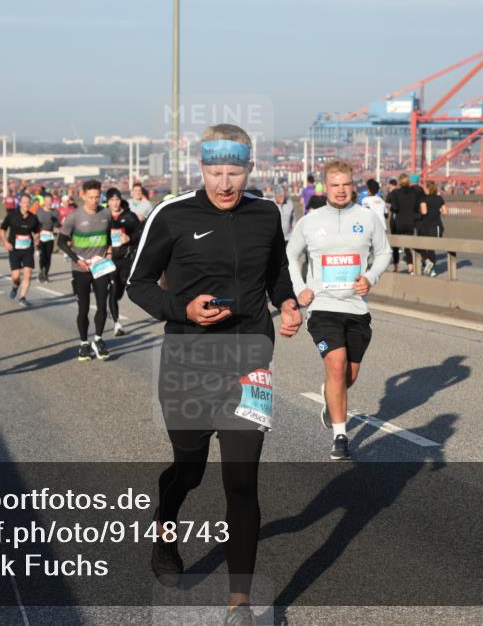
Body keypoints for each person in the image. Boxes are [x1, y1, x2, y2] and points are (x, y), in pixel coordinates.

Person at [127, 124, 301, 623]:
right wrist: (183, 308)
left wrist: (286, 303)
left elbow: (276, 273)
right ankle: (164, 525)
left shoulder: (265, 214)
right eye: (215, 172)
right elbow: (136, 283)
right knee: (190, 469)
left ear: (250, 168)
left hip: (250, 362)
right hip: (187, 364)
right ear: (199, 167)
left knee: (242, 480)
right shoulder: (172, 214)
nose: (225, 184)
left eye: (235, 172)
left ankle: (239, 606)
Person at [287, 159, 390, 461]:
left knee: (349, 375)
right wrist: (299, 288)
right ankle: (340, 435)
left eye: (346, 184)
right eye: (335, 185)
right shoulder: (310, 221)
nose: (341, 190)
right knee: (336, 363)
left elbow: (385, 252)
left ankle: (329, 397)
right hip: (322, 307)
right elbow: (291, 255)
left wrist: (370, 277)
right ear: (325, 186)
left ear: (353, 186)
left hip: (356, 308)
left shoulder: (368, 218)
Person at [58, 180, 114, 361]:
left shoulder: (106, 213)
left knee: (102, 305)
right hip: (80, 268)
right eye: (90, 197)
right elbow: (60, 241)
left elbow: (108, 236)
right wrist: (77, 260)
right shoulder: (74, 217)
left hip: (100, 267)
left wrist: (110, 252)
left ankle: (98, 340)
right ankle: (83, 344)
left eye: (97, 197)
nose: (94, 201)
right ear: (83, 196)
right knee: (83, 308)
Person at [105, 188, 142, 336]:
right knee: (114, 292)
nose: (115, 203)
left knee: (120, 292)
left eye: (117, 199)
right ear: (107, 201)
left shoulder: (129, 216)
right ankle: (117, 325)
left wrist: (130, 238)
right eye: (112, 200)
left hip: (126, 259)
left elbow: (140, 233)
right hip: (109, 260)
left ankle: (112, 305)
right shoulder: (104, 216)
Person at [0, 194, 41, 305]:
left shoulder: (33, 217)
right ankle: (15, 286)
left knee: (28, 273)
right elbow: (2, 229)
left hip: (28, 249)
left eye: (28, 202)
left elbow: (37, 231)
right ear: (20, 203)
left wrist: (37, 239)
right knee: (16, 276)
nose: (26, 204)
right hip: (14, 249)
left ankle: (22, 297)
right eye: (24, 202)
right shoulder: (12, 216)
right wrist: (5, 242)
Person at [388, 173, 423, 274]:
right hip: (411, 222)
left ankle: (396, 267)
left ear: (399, 181)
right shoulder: (415, 193)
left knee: (396, 245)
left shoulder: (395, 193)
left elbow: (395, 208)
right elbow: (417, 208)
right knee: (408, 244)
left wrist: (391, 208)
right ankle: (411, 266)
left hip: (399, 222)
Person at [417, 180, 447, 276]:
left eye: (424, 187)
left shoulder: (423, 199)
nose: (423, 189)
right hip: (437, 226)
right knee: (432, 248)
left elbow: (424, 212)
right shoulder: (439, 198)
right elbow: (445, 212)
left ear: (428, 188)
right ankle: (432, 270)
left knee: (421, 246)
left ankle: (426, 261)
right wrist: (437, 209)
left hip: (425, 225)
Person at [34, 194, 60, 283]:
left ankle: (46, 274)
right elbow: (34, 223)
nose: (49, 203)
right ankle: (41, 271)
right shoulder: (39, 211)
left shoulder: (55, 212)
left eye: (50, 201)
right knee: (42, 256)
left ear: (52, 202)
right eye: (47, 201)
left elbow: (57, 225)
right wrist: (36, 236)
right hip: (41, 236)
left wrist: (55, 222)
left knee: (48, 257)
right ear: (44, 202)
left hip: (50, 236)